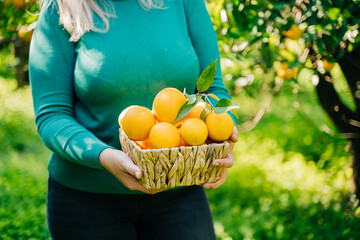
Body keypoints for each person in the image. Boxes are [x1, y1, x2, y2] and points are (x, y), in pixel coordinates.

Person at [29, 0, 239, 239]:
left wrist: (223, 134)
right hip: (87, 200)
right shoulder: (62, 7)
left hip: (178, 189)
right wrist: (104, 157)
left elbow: (214, 90)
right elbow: (52, 116)